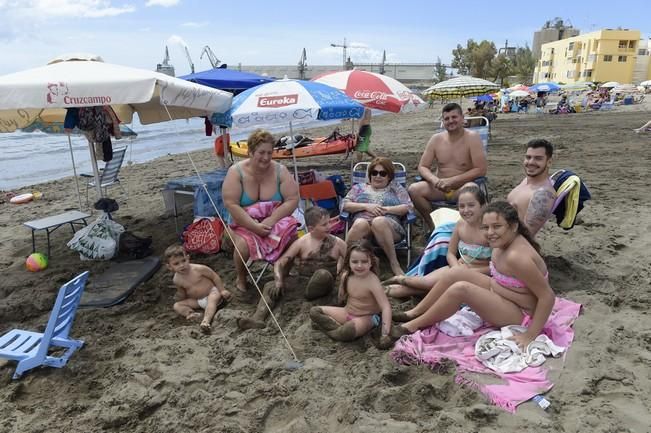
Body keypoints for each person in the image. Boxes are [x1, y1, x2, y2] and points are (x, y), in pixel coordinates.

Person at [391, 201, 556, 350]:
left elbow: (547, 296)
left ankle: (413, 325)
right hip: (502, 293)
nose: (490, 232)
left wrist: (530, 334)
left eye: (497, 226)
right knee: (456, 272)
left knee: (461, 289)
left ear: (513, 226)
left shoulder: (517, 257)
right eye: (485, 227)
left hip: (522, 313)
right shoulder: (500, 244)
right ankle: (415, 312)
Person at [237, 207, 347, 330]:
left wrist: (343, 276)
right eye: (324, 225)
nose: (329, 227)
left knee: (322, 274)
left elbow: (350, 262)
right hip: (302, 282)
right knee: (270, 285)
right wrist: (279, 281)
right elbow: (280, 263)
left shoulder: (338, 243)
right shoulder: (302, 242)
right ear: (311, 229)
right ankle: (258, 318)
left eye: (329, 222)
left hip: (325, 285)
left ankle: (311, 293)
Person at [222, 129, 300, 294]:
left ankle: (283, 274)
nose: (266, 157)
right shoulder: (236, 172)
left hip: (274, 219)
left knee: (292, 235)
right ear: (250, 152)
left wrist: (271, 220)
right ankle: (241, 279)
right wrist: (253, 226)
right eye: (261, 152)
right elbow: (231, 204)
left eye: (269, 153)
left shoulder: (280, 171)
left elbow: (292, 199)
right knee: (243, 245)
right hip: (242, 222)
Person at [383, 183, 491, 298]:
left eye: (471, 205)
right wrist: (456, 268)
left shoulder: (490, 230)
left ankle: (394, 286)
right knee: (425, 282)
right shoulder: (460, 224)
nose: (466, 210)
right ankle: (392, 285)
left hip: (482, 274)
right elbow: (450, 253)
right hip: (458, 268)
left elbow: (496, 265)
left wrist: (468, 273)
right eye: (461, 206)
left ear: (483, 206)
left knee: (424, 287)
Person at [408, 102, 488, 231]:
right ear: (443, 121)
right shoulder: (436, 139)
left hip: (461, 188)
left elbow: (481, 170)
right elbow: (422, 166)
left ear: (462, 118)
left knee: (471, 189)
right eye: (446, 118)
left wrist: (452, 181)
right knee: (413, 189)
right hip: (439, 188)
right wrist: (435, 181)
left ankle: (465, 229)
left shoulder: (472, 138)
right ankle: (433, 225)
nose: (450, 121)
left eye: (454, 117)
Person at [309, 240, 393, 349]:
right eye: (355, 262)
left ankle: (331, 331)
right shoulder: (347, 276)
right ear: (348, 261)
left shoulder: (372, 281)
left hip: (366, 317)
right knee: (314, 311)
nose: (359, 265)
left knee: (348, 330)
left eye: (364, 261)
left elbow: (386, 307)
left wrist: (385, 334)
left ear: (371, 262)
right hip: (347, 312)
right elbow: (340, 299)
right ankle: (337, 330)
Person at [342, 157, 413, 276]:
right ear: (370, 175)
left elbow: (409, 207)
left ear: (389, 176)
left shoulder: (396, 188)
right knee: (360, 223)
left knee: (378, 222)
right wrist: (366, 206)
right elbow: (344, 205)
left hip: (389, 229)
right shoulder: (359, 188)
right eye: (374, 173)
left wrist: (386, 210)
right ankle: (344, 263)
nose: (378, 176)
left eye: (382, 173)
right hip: (364, 230)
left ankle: (394, 264)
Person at [165, 245, 232, 333]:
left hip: (212, 292)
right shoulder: (177, 279)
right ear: (170, 267)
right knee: (177, 306)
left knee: (212, 298)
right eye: (176, 264)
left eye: (184, 261)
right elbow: (182, 292)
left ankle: (206, 321)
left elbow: (214, 276)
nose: (182, 265)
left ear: (188, 258)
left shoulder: (198, 269)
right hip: (198, 301)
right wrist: (180, 297)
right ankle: (192, 314)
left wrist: (222, 290)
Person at [507, 139, 556, 237]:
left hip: (513, 245)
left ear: (549, 162)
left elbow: (527, 235)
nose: (531, 162)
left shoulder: (543, 194)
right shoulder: (525, 181)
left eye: (538, 158)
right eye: (528, 157)